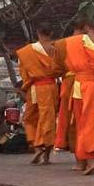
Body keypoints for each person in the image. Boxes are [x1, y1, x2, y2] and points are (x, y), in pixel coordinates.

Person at [64, 18, 94, 176]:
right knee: (93, 122)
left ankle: (83, 162)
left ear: (87, 27)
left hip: (79, 85)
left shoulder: (73, 41)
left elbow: (64, 62)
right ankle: (90, 161)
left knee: (81, 122)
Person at [17, 23, 60, 165]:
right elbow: (61, 69)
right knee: (48, 119)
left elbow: (24, 72)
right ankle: (46, 155)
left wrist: (26, 85)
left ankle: (37, 147)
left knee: (30, 118)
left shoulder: (27, 51)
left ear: (37, 32)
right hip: (51, 87)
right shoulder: (56, 48)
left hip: (34, 87)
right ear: (51, 33)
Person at [54, 18, 88, 157]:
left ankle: (68, 144)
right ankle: (84, 147)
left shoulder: (60, 44)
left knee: (68, 114)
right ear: (85, 27)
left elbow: (56, 68)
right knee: (85, 114)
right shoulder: (91, 42)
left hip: (68, 82)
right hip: (88, 81)